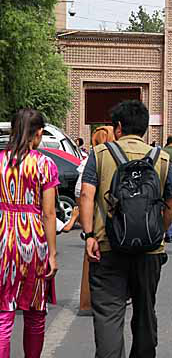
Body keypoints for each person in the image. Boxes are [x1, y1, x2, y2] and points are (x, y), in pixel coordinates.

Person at [79, 100, 172, 358]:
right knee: (145, 311)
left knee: (109, 315)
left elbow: (87, 195)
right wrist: (159, 231)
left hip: (107, 246)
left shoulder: (100, 154)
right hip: (149, 251)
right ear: (144, 128)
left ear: (119, 127)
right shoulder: (161, 158)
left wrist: (89, 235)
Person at [0, 109, 59, 358]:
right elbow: (49, 213)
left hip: (3, 238)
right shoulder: (45, 164)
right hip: (33, 241)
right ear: (38, 133)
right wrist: (52, 254)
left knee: (3, 314)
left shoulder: (0, 161)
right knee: (35, 313)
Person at [70, 125, 116, 317]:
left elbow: (79, 192)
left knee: (94, 259)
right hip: (109, 219)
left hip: (95, 219)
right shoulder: (107, 159)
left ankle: (90, 302)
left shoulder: (94, 159)